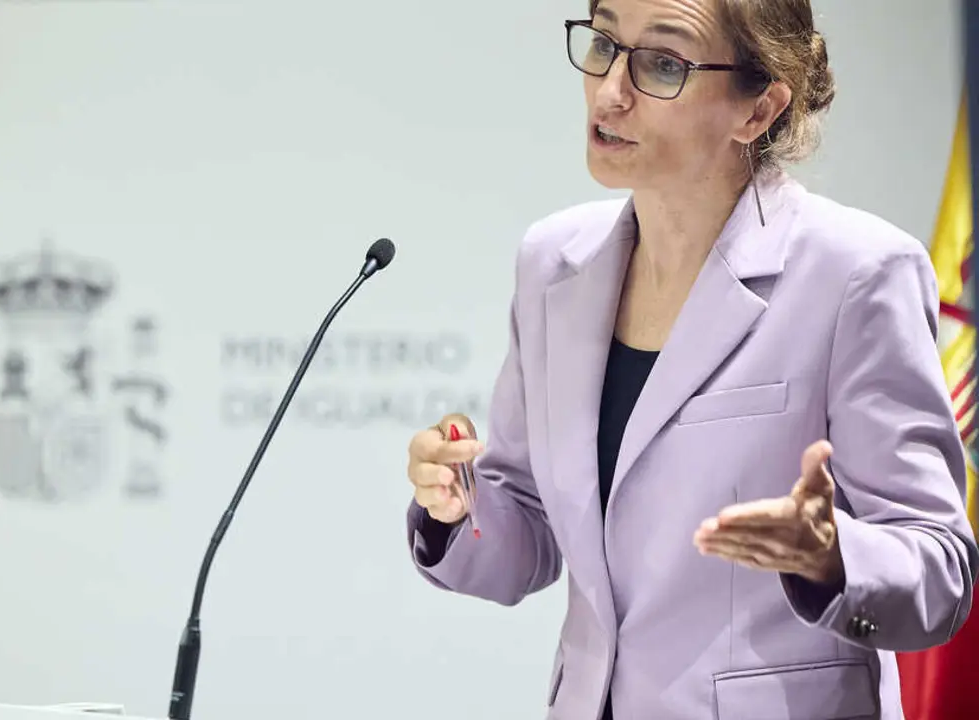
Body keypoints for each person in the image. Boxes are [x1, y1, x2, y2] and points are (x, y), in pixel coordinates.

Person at [403, 0, 979, 718]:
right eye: (605, 42)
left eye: (663, 64)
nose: (612, 89)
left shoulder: (858, 273)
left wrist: (834, 558)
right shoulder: (553, 264)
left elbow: (941, 573)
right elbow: (528, 528)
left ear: (758, 108)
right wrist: (458, 511)